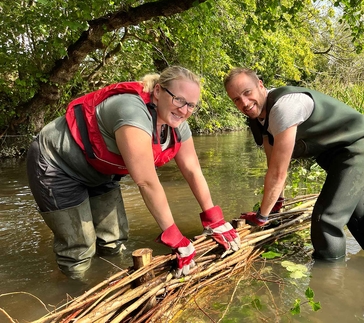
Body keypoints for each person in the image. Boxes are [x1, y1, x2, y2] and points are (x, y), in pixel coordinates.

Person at [26, 66, 240, 279]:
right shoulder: (131, 112)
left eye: (191, 105)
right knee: (78, 249)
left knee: (113, 238)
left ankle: (109, 279)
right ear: (158, 91)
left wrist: (214, 219)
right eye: (179, 100)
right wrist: (176, 239)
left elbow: (193, 171)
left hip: (99, 171)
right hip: (57, 165)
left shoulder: (177, 123)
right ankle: (72, 290)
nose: (184, 110)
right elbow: (146, 182)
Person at [223, 67, 364, 261]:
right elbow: (273, 164)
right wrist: (275, 207)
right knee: (361, 217)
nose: (244, 103)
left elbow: (278, 174)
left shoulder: (283, 108)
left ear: (260, 85)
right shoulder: (258, 117)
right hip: (335, 155)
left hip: (358, 146)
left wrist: (261, 217)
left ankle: (328, 281)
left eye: (247, 93)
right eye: (236, 99)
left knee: (326, 220)